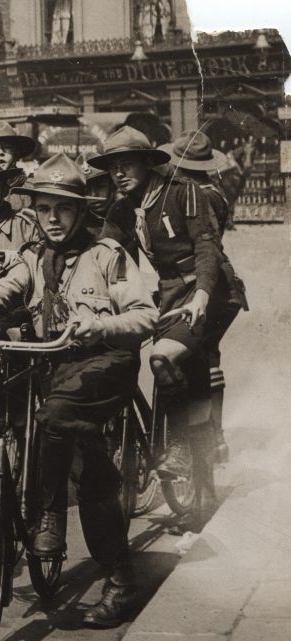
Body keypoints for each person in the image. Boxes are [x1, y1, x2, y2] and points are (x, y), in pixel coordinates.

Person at [0, 153, 158, 627]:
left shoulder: (106, 255)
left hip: (103, 363)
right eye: (45, 209)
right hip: (54, 365)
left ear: (79, 212)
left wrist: (101, 325)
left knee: (59, 424)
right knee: (68, 451)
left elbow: (146, 315)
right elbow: (3, 291)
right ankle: (70, 541)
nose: (53, 219)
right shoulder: (33, 258)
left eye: (63, 209)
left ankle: (54, 520)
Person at [90, 126, 246, 505]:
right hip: (172, 293)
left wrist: (202, 297)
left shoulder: (183, 191)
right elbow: (103, 253)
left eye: (127, 165)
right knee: (181, 377)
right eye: (113, 168)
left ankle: (176, 444)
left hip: (212, 292)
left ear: (147, 163)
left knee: (162, 357)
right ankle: (195, 477)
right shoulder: (123, 206)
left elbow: (207, 247)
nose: (119, 175)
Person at [158, 130, 237, 461]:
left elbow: (205, 244)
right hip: (220, 280)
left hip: (209, 281)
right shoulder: (215, 190)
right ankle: (213, 440)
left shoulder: (191, 195)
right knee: (207, 355)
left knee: (201, 358)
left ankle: (206, 439)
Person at [76, 153, 115, 231]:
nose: (94, 195)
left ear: (113, 185)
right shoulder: (77, 226)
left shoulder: (130, 215)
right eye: (86, 190)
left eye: (100, 187)